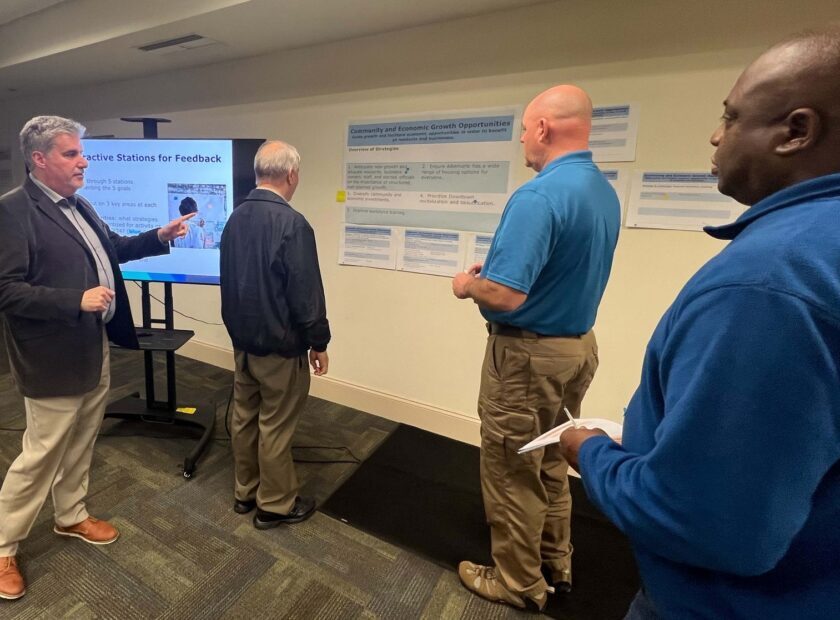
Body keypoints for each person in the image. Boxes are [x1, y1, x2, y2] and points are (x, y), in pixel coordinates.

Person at [559, 30, 840, 619]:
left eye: (732, 117)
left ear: (797, 131)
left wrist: (592, 456)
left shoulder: (769, 284)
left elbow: (707, 521)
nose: (715, 135)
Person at [0, 115, 193, 600]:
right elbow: (7, 290)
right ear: (39, 160)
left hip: (93, 346)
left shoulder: (78, 205)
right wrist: (74, 300)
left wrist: (159, 236)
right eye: (71, 154)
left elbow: (113, 249)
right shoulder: (12, 211)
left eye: (80, 152)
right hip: (51, 358)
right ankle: (3, 548)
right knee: (40, 455)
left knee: (84, 439)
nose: (83, 160)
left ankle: (70, 516)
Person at [451, 85, 620, 611]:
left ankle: (518, 582)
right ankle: (556, 558)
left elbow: (505, 293)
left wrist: (466, 284)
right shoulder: (600, 190)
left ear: (544, 128)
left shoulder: (538, 195)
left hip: (527, 358)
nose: (522, 138)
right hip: (576, 349)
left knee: (510, 466)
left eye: (525, 128)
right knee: (549, 456)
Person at [220, 140, 330, 530]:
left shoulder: (234, 218)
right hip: (280, 348)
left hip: (242, 344)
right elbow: (306, 293)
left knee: (244, 419)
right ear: (291, 174)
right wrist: (319, 342)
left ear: (257, 174)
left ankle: (244, 492)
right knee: (276, 425)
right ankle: (275, 505)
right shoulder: (293, 224)